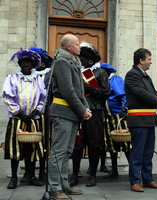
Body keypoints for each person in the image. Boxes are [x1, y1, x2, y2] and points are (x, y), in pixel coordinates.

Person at [48, 34, 92, 200]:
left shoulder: (73, 62)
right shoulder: (62, 62)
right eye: (77, 44)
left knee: (67, 151)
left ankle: (64, 185)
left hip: (72, 113)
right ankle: (55, 188)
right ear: (68, 47)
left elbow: (79, 90)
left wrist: (85, 108)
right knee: (59, 152)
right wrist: (82, 110)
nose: (80, 46)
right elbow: (67, 91)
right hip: (63, 112)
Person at [68, 42, 110, 187]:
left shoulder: (100, 72)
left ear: (90, 60)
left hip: (94, 112)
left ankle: (92, 175)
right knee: (77, 146)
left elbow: (105, 93)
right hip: (77, 112)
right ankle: (74, 175)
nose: (80, 61)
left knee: (94, 145)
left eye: (83, 58)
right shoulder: (76, 71)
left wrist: (87, 87)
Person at [3, 48, 46, 189]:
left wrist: (35, 112)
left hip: (34, 119)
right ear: (20, 64)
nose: (26, 64)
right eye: (24, 62)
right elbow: (7, 97)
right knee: (15, 149)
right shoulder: (11, 78)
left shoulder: (38, 79)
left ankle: (32, 176)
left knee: (32, 148)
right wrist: (19, 113)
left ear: (33, 65)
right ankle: (14, 178)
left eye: (29, 62)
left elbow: (42, 98)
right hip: (17, 119)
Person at [125, 48, 157, 192]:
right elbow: (140, 93)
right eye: (149, 59)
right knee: (137, 152)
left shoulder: (144, 75)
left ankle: (148, 179)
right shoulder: (132, 75)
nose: (151, 62)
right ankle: (135, 181)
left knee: (148, 152)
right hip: (138, 119)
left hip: (149, 119)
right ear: (141, 61)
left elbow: (150, 92)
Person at [26, 46, 53, 182]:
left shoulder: (50, 74)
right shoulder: (26, 74)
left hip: (45, 114)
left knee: (43, 143)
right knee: (29, 142)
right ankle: (28, 173)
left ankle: (42, 171)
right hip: (29, 114)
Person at [101, 62, 131, 179]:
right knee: (111, 145)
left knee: (125, 143)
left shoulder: (115, 80)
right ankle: (114, 170)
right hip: (107, 117)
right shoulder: (101, 83)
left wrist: (125, 109)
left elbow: (123, 95)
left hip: (118, 116)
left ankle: (132, 170)